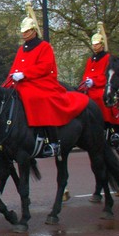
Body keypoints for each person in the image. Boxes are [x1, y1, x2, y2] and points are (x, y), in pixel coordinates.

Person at [7, 17, 89, 158]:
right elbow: (15, 67)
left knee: (38, 98)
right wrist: (12, 77)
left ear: (34, 31)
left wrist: (25, 74)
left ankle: (52, 140)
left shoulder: (44, 46)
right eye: (23, 32)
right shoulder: (22, 49)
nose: (24, 34)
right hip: (23, 82)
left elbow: (45, 67)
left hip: (41, 81)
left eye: (27, 32)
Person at [80, 32, 119, 150]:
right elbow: (86, 74)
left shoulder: (108, 58)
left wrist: (95, 82)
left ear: (102, 45)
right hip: (90, 88)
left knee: (102, 98)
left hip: (102, 88)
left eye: (97, 44)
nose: (95, 46)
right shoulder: (91, 60)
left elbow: (107, 76)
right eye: (94, 44)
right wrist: (86, 81)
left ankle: (113, 129)